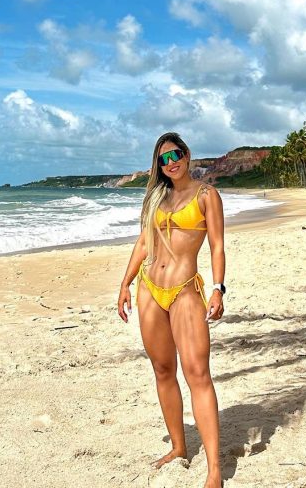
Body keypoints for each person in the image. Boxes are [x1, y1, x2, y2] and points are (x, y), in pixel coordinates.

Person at [117, 132, 226, 488]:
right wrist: (124, 283)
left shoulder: (206, 195)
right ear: (158, 165)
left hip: (184, 291)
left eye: (175, 155)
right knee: (163, 369)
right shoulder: (155, 198)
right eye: (163, 159)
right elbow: (144, 243)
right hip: (149, 289)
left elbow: (217, 246)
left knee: (197, 373)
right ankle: (179, 447)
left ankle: (214, 470)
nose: (171, 163)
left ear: (187, 154)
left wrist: (218, 288)